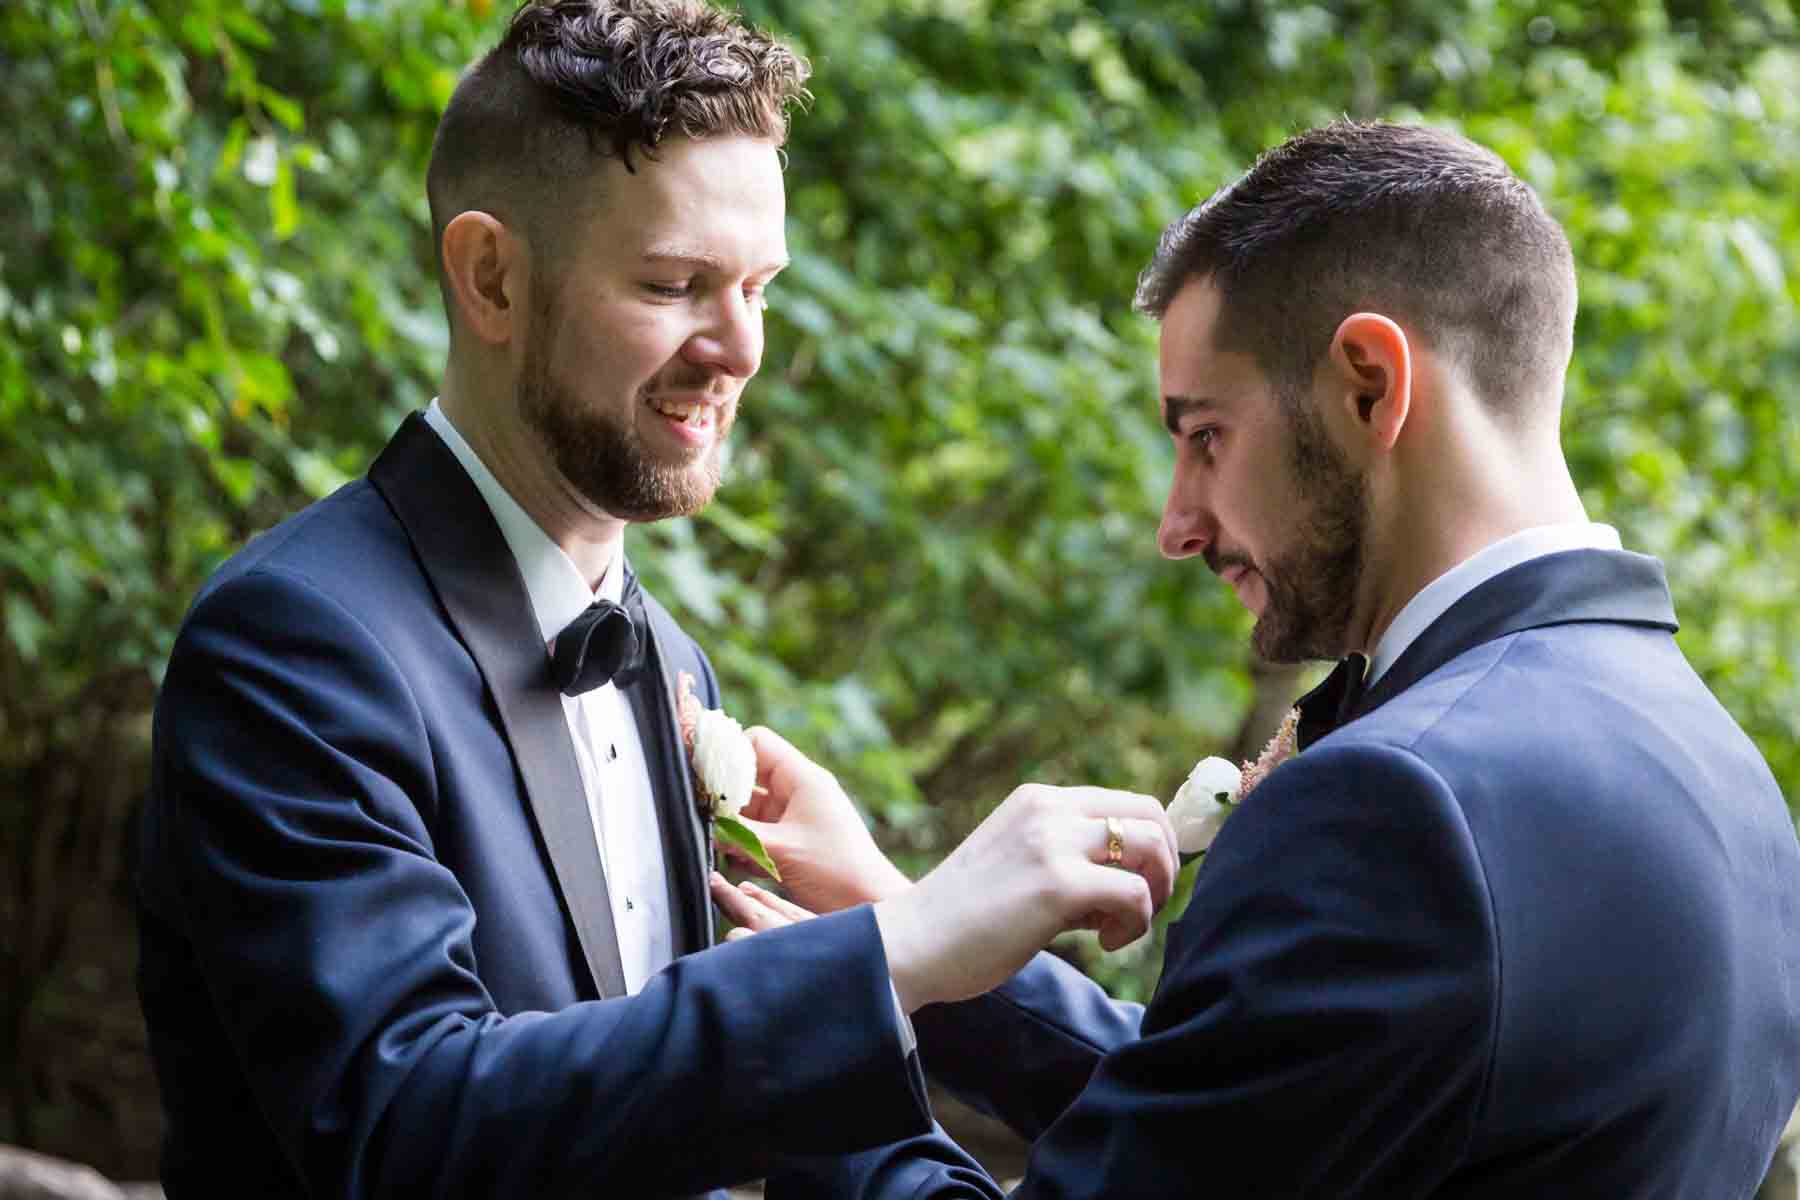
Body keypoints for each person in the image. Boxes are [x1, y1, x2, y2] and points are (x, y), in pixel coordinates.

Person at [134, 2, 1178, 1197]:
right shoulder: (294, 645)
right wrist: (902, 948)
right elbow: (402, 1125)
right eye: (677, 283)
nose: (740, 348)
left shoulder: (667, 661)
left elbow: (696, 1104)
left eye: (761, 287)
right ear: (491, 279)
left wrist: (899, 956)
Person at [715, 120, 1800, 1197]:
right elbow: (1280, 1116)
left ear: (1369, 383)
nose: (1177, 525)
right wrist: (905, 938)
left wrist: (816, 1031)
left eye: (1206, 438)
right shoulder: (1728, 780)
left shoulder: (1400, 801)